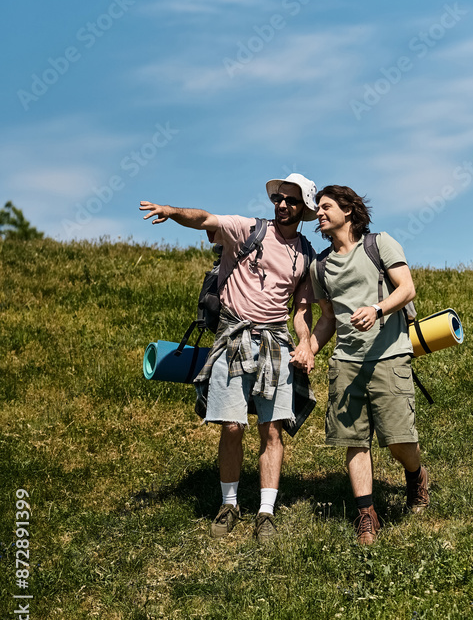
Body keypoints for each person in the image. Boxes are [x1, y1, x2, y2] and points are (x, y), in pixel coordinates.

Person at [140, 173, 317, 541]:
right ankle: (229, 504)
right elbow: (206, 220)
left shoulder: (305, 254)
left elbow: (301, 309)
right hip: (233, 337)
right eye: (279, 199)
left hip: (275, 342)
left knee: (272, 430)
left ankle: (266, 512)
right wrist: (171, 211)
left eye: (292, 201)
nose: (283, 205)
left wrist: (305, 342)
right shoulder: (249, 229)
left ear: (304, 209)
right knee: (232, 426)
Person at [294, 184, 429, 545]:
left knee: (399, 440)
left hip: (389, 355)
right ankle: (366, 516)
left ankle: (416, 475)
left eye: (326, 206)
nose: (319, 213)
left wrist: (377, 310)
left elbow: (407, 288)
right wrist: (310, 349)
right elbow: (328, 319)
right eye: (318, 208)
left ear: (348, 210)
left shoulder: (379, 244)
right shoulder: (319, 266)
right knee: (355, 442)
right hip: (346, 363)